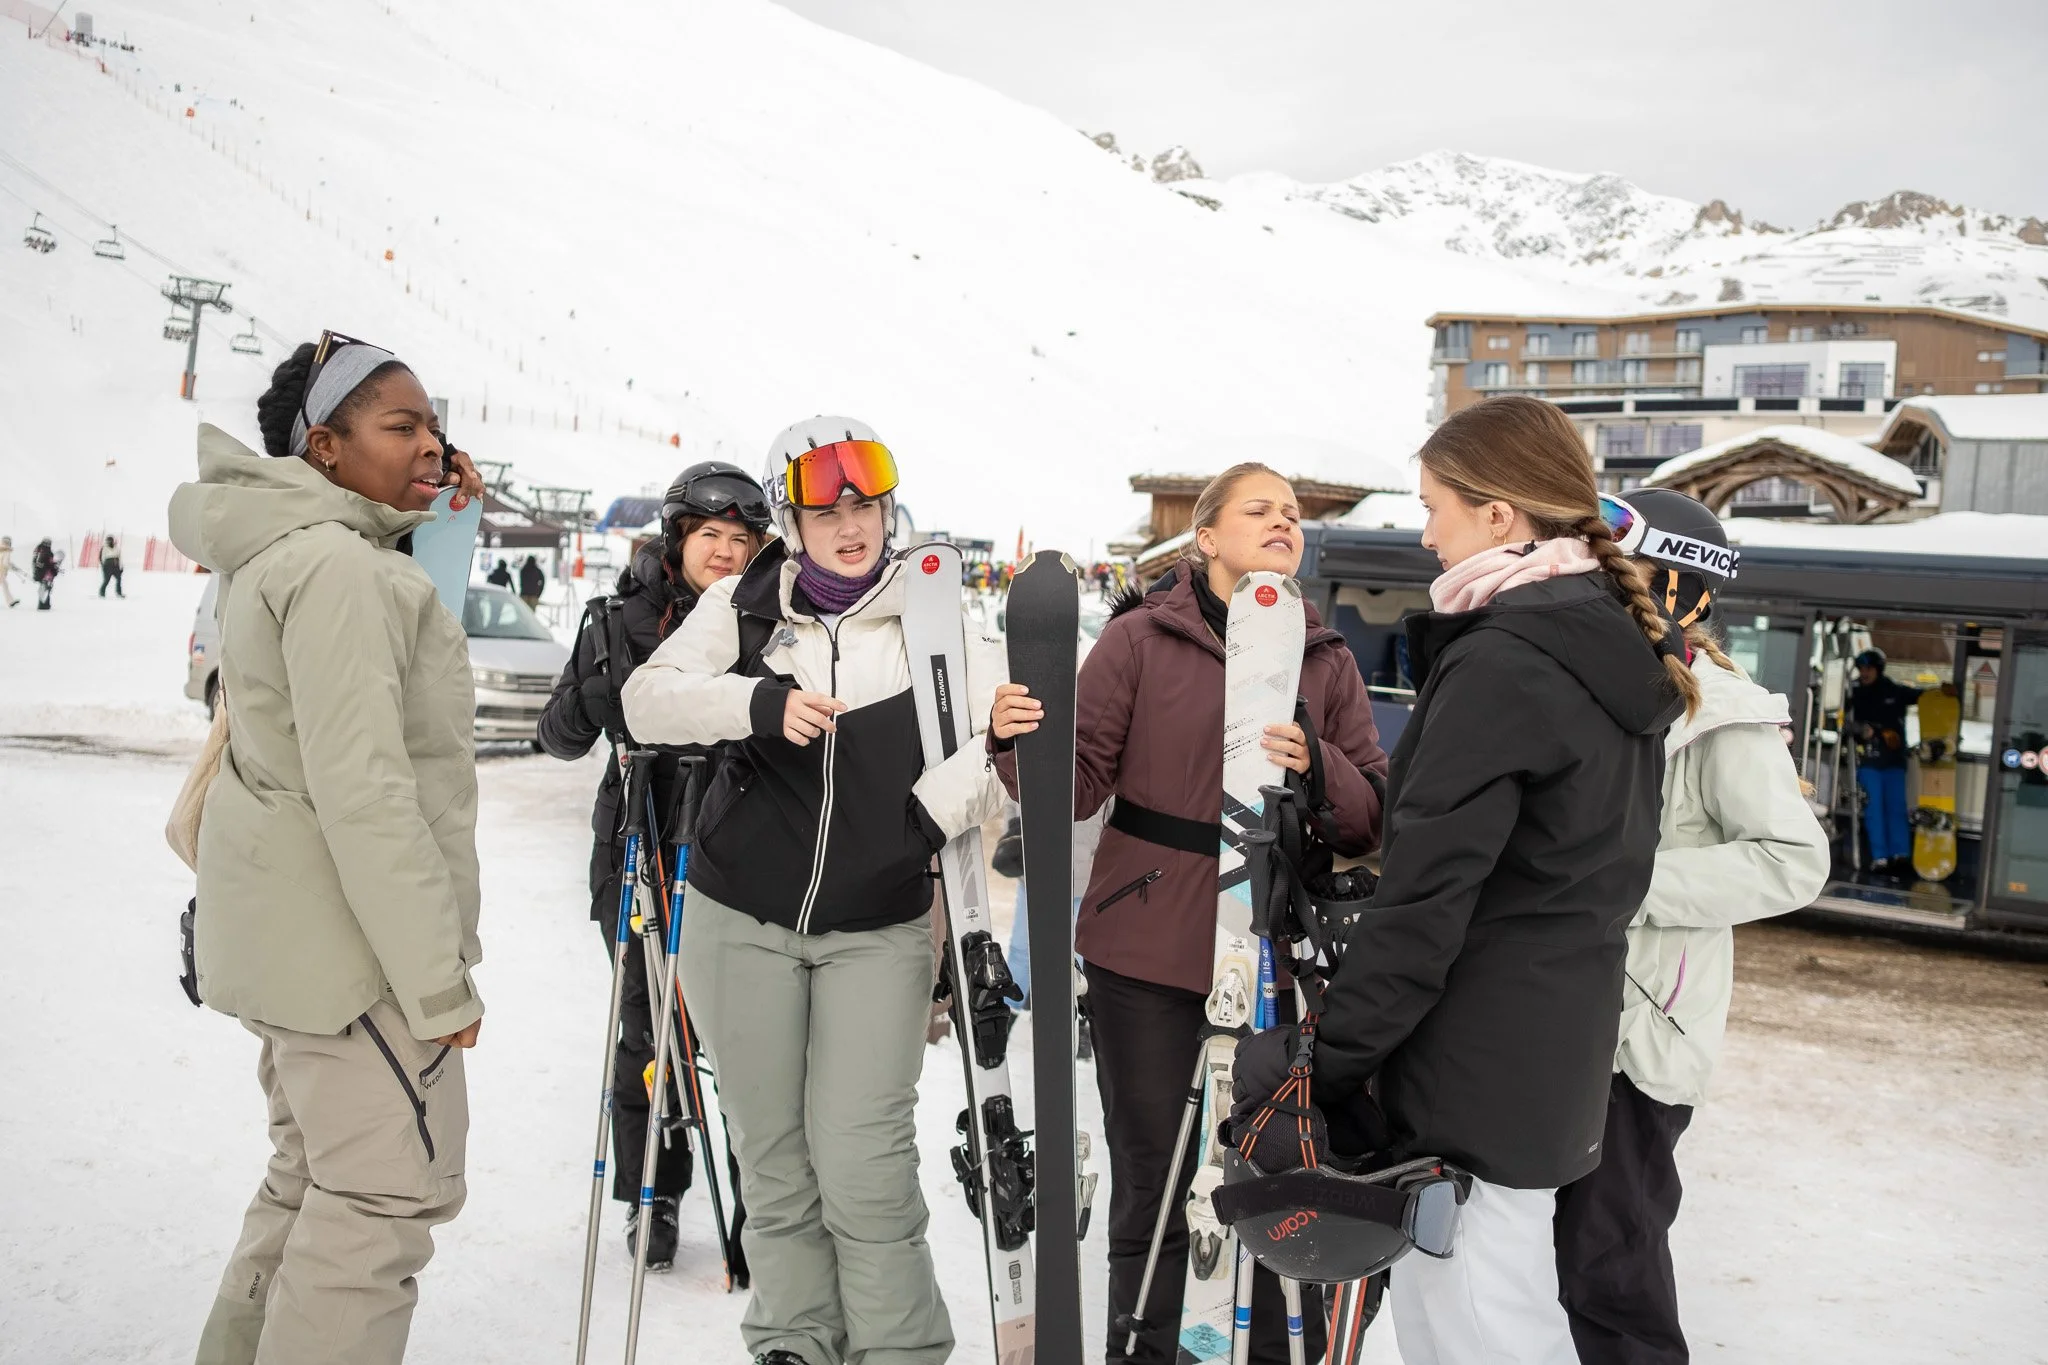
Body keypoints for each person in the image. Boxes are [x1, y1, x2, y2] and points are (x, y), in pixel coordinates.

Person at [1233, 395, 1691, 1365]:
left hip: (1470, 1077)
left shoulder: (1506, 663)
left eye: (1433, 505)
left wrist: (1331, 1058)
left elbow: (1427, 900)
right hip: (1549, 1062)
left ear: (1499, 515)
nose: (1424, 532)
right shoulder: (1606, 649)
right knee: (1503, 1309)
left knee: (1471, 1327)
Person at [621, 417, 1004, 1365]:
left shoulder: (938, 613)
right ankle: (794, 1340)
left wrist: (926, 813)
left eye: (865, 503)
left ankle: (900, 1350)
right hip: (735, 918)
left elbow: (994, 758)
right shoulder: (747, 607)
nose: (849, 523)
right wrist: (756, 702)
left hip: (875, 926)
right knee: (775, 1160)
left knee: (863, 1163)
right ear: (790, 518)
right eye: (825, 506)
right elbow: (645, 700)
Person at [990, 462, 1389, 1365]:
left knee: (1266, 1171)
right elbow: (1076, 784)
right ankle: (1146, 1349)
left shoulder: (1322, 657)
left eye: (1293, 513)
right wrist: (1018, 742)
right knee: (1155, 1182)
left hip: (1273, 962)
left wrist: (1319, 765)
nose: (1285, 521)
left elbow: (1371, 810)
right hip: (1147, 953)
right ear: (1206, 538)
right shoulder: (1138, 640)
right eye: (1261, 509)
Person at [174, 333, 488, 1365]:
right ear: (322, 445)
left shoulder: (281, 549)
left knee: (310, 1183)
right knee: (383, 1202)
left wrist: (437, 512)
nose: (432, 446)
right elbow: (367, 793)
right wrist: (438, 986)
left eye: (435, 424)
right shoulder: (338, 572)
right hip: (358, 964)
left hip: (296, 948)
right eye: (402, 425)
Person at [1551, 488, 1829, 1365]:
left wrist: (1626, 885)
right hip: (1553, 1010)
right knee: (1532, 1260)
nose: (1595, 586)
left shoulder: (1722, 710)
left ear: (1678, 590)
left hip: (1640, 1035)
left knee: (1610, 1267)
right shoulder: (1582, 686)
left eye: (1615, 572)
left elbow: (1794, 857)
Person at [536, 460, 771, 1270]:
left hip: (733, 845)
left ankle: (763, 1202)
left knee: (742, 1034)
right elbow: (558, 735)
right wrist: (590, 700)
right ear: (678, 538)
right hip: (636, 843)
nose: (726, 552)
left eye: (742, 539)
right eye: (710, 535)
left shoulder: (768, 623)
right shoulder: (618, 619)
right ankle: (654, 1190)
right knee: (649, 1029)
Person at [1847, 647, 1930, 879]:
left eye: (1869, 669)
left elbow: (1919, 696)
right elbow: (1842, 722)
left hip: (1893, 761)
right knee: (1874, 809)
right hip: (1869, 762)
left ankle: (1900, 855)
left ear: (1879, 670)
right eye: (1861, 669)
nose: (1864, 673)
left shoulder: (1892, 690)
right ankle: (1879, 857)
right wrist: (1863, 729)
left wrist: (1940, 693)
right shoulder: (1852, 692)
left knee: (1896, 809)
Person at [32, 537, 59, 609]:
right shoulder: (47, 552)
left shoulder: (38, 551)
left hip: (40, 573)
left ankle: (42, 604)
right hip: (47, 574)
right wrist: (55, 569)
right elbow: (50, 563)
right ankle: (44, 605)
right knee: (47, 588)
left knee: (43, 588)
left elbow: (34, 562)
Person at [0, 535, 18, 608]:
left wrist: (12, 565)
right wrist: (12, 567)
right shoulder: (7, 551)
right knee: (5, 586)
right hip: (1, 571)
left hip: (1, 571)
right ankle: (10, 601)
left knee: (5, 586)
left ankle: (10, 601)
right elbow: (5, 563)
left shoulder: (1, 549)